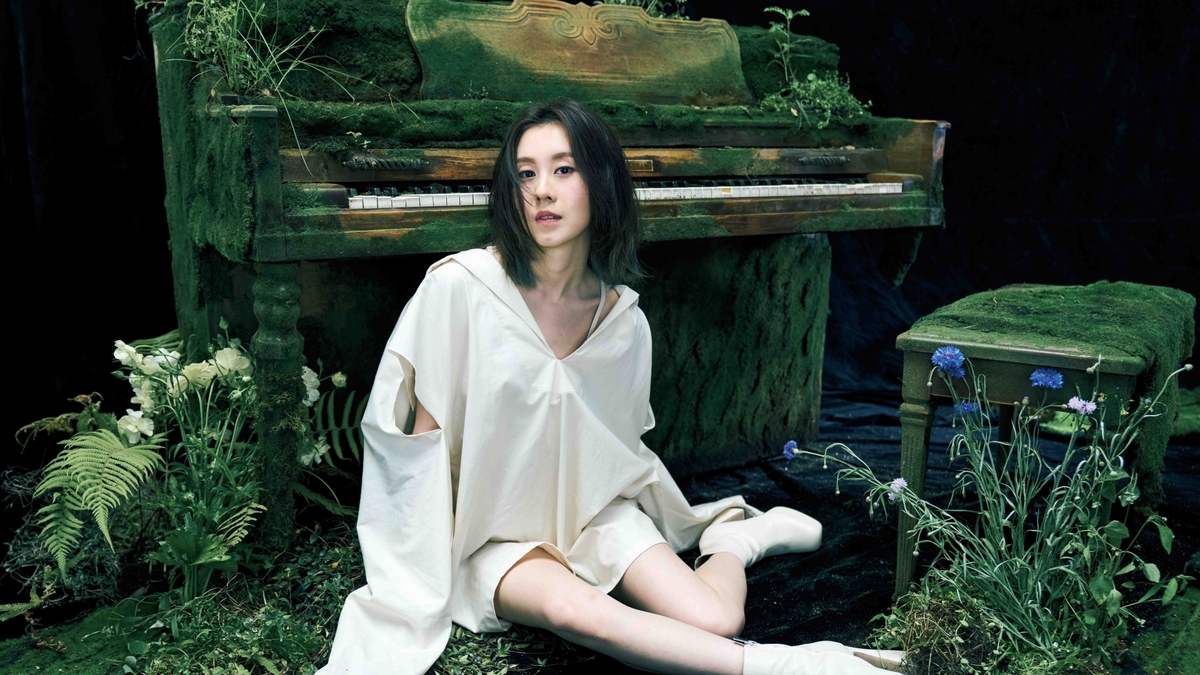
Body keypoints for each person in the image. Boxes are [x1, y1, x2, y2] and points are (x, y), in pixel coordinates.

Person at [318, 100, 899, 675]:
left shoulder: (624, 323)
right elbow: (419, 457)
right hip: (488, 537)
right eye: (525, 173)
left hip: (591, 515)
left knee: (717, 618)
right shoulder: (460, 289)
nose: (542, 191)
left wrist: (629, 532)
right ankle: (796, 666)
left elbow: (614, 450)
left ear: (601, 183)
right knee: (575, 610)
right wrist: (420, 576)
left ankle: (733, 540)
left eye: (564, 169)